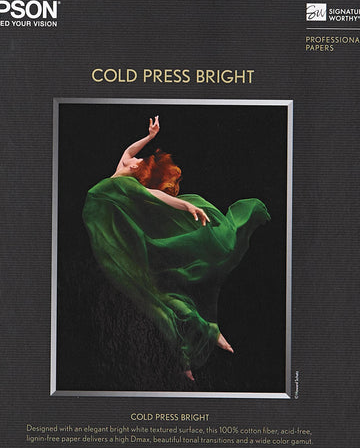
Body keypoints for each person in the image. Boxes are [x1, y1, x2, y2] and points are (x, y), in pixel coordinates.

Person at [82, 116, 270, 382]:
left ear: (139, 174)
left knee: (154, 295)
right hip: (104, 228)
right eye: (138, 159)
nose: (137, 159)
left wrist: (186, 205)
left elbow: (157, 196)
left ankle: (195, 343)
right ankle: (200, 338)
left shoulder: (133, 185)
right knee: (147, 292)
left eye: (140, 161)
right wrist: (150, 136)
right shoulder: (123, 166)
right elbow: (130, 150)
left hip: (112, 233)